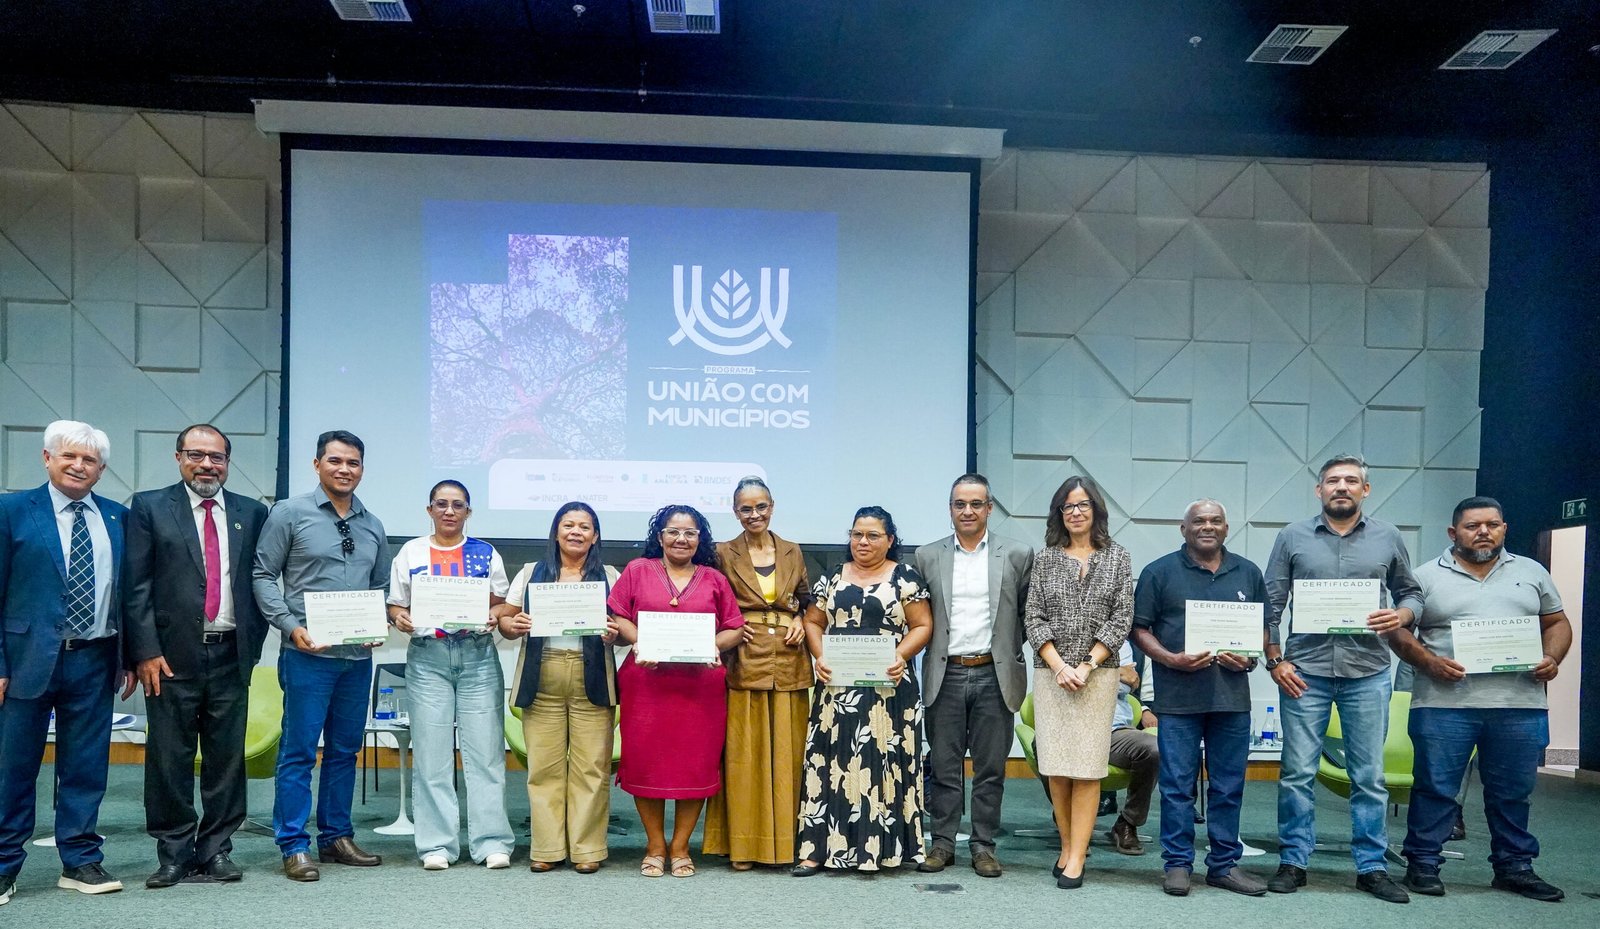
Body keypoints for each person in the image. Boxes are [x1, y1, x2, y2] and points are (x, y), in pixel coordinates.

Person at [1387, 497, 1572, 902]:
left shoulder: (1531, 571)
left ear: (1504, 528)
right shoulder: (1424, 577)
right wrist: (1429, 662)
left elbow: (1557, 622)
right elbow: (1398, 632)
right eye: (1473, 526)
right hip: (1442, 703)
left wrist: (1552, 657)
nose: (1483, 532)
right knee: (1435, 788)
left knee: (1513, 791)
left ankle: (1514, 868)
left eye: (1492, 524)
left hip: (1519, 706)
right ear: (1454, 533)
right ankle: (1422, 864)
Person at [1262, 454, 1423, 903]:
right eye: (1332, 480)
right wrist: (1274, 660)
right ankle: (1294, 860)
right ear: (1319, 490)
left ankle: (1371, 867)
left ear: (1365, 490)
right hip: (1305, 671)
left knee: (1369, 775)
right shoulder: (1291, 537)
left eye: (1351, 481)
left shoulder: (1388, 537)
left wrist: (1403, 613)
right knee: (1296, 772)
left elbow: (1411, 592)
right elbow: (1270, 605)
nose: (1341, 487)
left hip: (1368, 672)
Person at [123, 424, 268, 888]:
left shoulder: (252, 512)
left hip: (231, 654)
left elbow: (259, 584)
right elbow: (136, 584)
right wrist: (144, 650)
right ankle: (173, 853)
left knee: (227, 760)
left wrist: (253, 644)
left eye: (217, 457)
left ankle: (216, 850)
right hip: (169, 658)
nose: (207, 464)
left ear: (228, 461)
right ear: (179, 457)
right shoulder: (149, 506)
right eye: (197, 455)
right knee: (169, 759)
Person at [0, 421, 132, 904]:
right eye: (69, 457)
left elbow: (130, 596)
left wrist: (131, 658)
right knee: (13, 766)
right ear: (47, 458)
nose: (79, 466)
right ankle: (4, 863)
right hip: (23, 662)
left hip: (95, 660)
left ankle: (79, 858)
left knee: (85, 765)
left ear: (101, 469)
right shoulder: (11, 509)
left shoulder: (118, 517)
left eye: (90, 460)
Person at [253, 430, 392, 882]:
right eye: (335, 461)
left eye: (352, 463)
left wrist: (378, 623)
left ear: (362, 469)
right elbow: (262, 574)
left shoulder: (372, 523)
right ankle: (293, 844)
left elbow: (380, 587)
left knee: (344, 751)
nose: (344, 469)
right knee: (297, 752)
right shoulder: (289, 514)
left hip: (355, 660)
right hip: (307, 656)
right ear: (317, 465)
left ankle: (336, 836)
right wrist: (291, 628)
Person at [1129, 499, 1267, 897]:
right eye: (1199, 521)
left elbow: (1261, 626)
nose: (1207, 526)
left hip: (1232, 699)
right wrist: (1171, 658)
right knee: (1177, 786)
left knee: (1229, 785)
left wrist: (1251, 655)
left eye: (1215, 520)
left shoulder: (1247, 571)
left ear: (1226, 527)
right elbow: (1139, 629)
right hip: (1177, 698)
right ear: (1183, 528)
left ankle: (1224, 864)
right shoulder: (1159, 572)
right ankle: (1177, 864)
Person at [793, 506, 932, 875]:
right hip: (837, 691)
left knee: (884, 766)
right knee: (832, 766)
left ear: (889, 540)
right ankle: (816, 850)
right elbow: (812, 622)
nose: (863, 542)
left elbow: (922, 625)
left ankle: (889, 850)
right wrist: (819, 656)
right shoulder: (832, 578)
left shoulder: (906, 578)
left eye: (872, 535)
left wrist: (901, 655)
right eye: (857, 534)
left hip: (890, 691)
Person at [607, 505, 744, 878]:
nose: (681, 539)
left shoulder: (713, 578)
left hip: (699, 687)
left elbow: (734, 627)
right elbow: (618, 618)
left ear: (700, 539)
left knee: (694, 766)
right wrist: (642, 643)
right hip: (647, 684)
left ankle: (681, 846)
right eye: (673, 532)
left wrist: (715, 645)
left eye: (690, 533)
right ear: (660, 536)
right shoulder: (637, 570)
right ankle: (655, 845)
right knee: (647, 764)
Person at [386, 480, 514, 871]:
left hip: (477, 657)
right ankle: (436, 845)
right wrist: (400, 619)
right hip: (428, 659)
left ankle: (491, 842)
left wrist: (496, 616)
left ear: (468, 512)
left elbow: (502, 605)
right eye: (441, 504)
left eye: (457, 505)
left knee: (486, 754)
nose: (449, 511)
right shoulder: (410, 551)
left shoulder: (485, 553)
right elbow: (395, 606)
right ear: (429, 510)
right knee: (431, 755)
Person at [913, 473, 1032, 878]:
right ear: (950, 509)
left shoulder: (1016, 554)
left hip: (993, 675)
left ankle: (984, 846)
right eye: (960, 504)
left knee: (991, 769)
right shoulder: (926, 556)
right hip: (944, 675)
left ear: (989, 508)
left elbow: (1028, 617)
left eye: (976, 504)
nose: (968, 511)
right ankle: (942, 844)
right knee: (944, 767)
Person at [497, 502, 621, 873]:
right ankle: (547, 849)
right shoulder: (531, 572)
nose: (576, 532)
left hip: (593, 673)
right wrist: (511, 625)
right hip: (543, 673)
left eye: (585, 526)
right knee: (544, 768)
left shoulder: (611, 575)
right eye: (568, 524)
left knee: (592, 768)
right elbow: (504, 617)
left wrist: (614, 633)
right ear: (556, 531)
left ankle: (587, 850)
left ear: (595, 536)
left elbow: (623, 626)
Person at [1022, 475, 1132, 889]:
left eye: (1083, 504)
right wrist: (1058, 665)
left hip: (1098, 677)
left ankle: (1078, 857)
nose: (1076, 512)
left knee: (1086, 769)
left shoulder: (1118, 557)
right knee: (1057, 768)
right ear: (1059, 514)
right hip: (1051, 676)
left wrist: (1085, 665)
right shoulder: (1046, 558)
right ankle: (1066, 847)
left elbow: (1122, 617)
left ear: (1096, 509)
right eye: (1068, 506)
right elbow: (1033, 616)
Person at [703, 477, 812, 870]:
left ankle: (790, 844)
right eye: (746, 508)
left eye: (761, 506)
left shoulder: (792, 551)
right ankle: (744, 846)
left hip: (789, 654)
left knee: (789, 753)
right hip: (743, 655)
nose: (755, 514)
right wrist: (727, 630)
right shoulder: (720, 553)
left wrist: (801, 617)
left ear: (772, 506)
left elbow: (807, 600)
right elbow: (708, 600)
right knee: (742, 754)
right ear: (735, 512)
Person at [1103, 641, 1158, 859]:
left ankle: (1128, 822)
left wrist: (1083, 671)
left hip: (1113, 730)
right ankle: (1067, 818)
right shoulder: (1062, 630)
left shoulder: (1120, 643)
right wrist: (1114, 673)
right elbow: (1062, 680)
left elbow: (1128, 684)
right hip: (1070, 725)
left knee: (1152, 749)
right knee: (1041, 745)